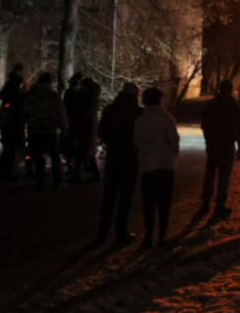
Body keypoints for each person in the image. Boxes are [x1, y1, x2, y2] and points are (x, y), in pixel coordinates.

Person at [133, 87, 180, 248]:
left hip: (147, 166)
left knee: (149, 202)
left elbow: (137, 140)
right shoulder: (166, 117)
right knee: (164, 202)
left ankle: (148, 235)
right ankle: (162, 235)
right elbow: (174, 140)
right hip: (165, 165)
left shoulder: (141, 119)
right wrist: (173, 153)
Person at [96, 82, 142, 244]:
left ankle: (102, 233)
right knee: (125, 197)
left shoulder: (110, 109)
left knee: (109, 196)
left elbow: (101, 131)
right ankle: (121, 232)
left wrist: (111, 142)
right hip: (130, 158)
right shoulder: (138, 112)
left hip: (113, 157)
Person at [199, 79, 240, 217]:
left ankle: (205, 202)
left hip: (213, 145)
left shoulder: (211, 105)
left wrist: (208, 140)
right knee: (224, 176)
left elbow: (204, 124)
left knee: (210, 173)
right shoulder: (233, 106)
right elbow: (239, 127)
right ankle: (219, 204)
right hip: (227, 145)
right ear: (230, 90)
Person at [24, 72, 67, 189]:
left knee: (38, 156)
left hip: (35, 129)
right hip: (49, 129)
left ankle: (40, 180)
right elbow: (61, 113)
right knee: (54, 155)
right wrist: (63, 128)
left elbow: (25, 111)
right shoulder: (53, 96)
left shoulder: (32, 95)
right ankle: (57, 181)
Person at [0, 63, 26, 182]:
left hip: (6, 122)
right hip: (13, 123)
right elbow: (18, 106)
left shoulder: (9, 87)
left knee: (8, 149)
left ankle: (5, 173)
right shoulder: (16, 90)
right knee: (12, 149)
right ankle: (10, 173)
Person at [73, 77, 103, 182]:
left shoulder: (85, 98)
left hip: (85, 126)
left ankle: (78, 175)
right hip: (89, 125)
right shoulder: (93, 97)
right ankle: (94, 174)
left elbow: (84, 113)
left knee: (81, 150)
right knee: (88, 151)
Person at [63, 72, 86, 179]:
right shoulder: (78, 93)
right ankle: (76, 167)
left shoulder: (70, 92)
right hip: (76, 122)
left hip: (73, 121)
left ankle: (73, 166)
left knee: (72, 145)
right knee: (75, 145)